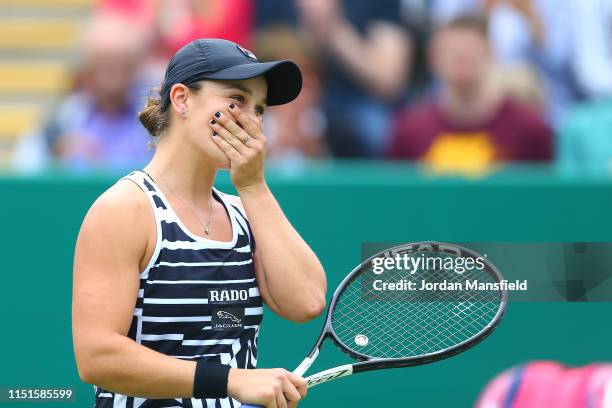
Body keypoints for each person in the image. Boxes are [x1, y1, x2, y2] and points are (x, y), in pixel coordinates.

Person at [72, 38, 327, 408]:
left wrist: (254, 186)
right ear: (182, 100)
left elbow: (306, 302)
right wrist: (230, 381)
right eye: (235, 100)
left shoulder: (246, 210)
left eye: (259, 109)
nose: (250, 121)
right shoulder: (126, 209)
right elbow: (97, 356)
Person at [387, 16, 552, 174]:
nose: (462, 59)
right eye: (452, 52)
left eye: (471, 51)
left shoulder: (529, 129)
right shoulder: (410, 131)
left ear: (491, 53)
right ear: (433, 58)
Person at [12, 13, 153, 172]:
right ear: (86, 71)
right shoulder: (61, 119)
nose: (112, 81)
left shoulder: (156, 119)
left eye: (122, 68)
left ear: (136, 68)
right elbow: (24, 167)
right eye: (102, 68)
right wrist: (55, 157)